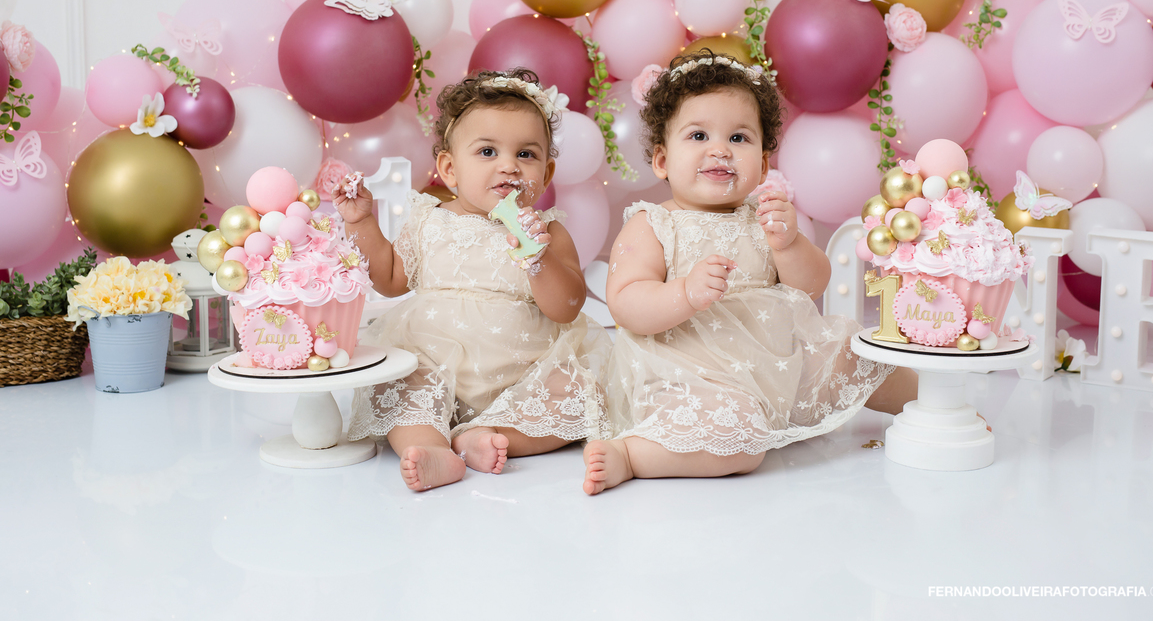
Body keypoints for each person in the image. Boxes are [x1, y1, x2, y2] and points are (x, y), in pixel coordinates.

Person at [583, 51, 916, 495]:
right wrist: (685, 293)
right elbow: (626, 303)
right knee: (737, 441)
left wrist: (789, 244)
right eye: (698, 135)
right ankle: (633, 454)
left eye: (738, 138)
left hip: (780, 365)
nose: (720, 149)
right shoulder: (653, 223)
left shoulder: (764, 218)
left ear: (761, 166)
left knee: (860, 352)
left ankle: (930, 407)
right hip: (691, 373)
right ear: (662, 160)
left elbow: (810, 285)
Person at [335, 68, 610, 492]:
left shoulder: (548, 232)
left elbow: (567, 307)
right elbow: (389, 279)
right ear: (450, 169)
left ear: (546, 174)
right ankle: (430, 448)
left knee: (578, 395)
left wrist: (539, 261)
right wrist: (361, 222)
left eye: (526, 154)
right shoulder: (430, 220)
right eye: (487, 151)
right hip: (432, 363)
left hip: (522, 375)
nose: (509, 165)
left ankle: (484, 436)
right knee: (401, 386)